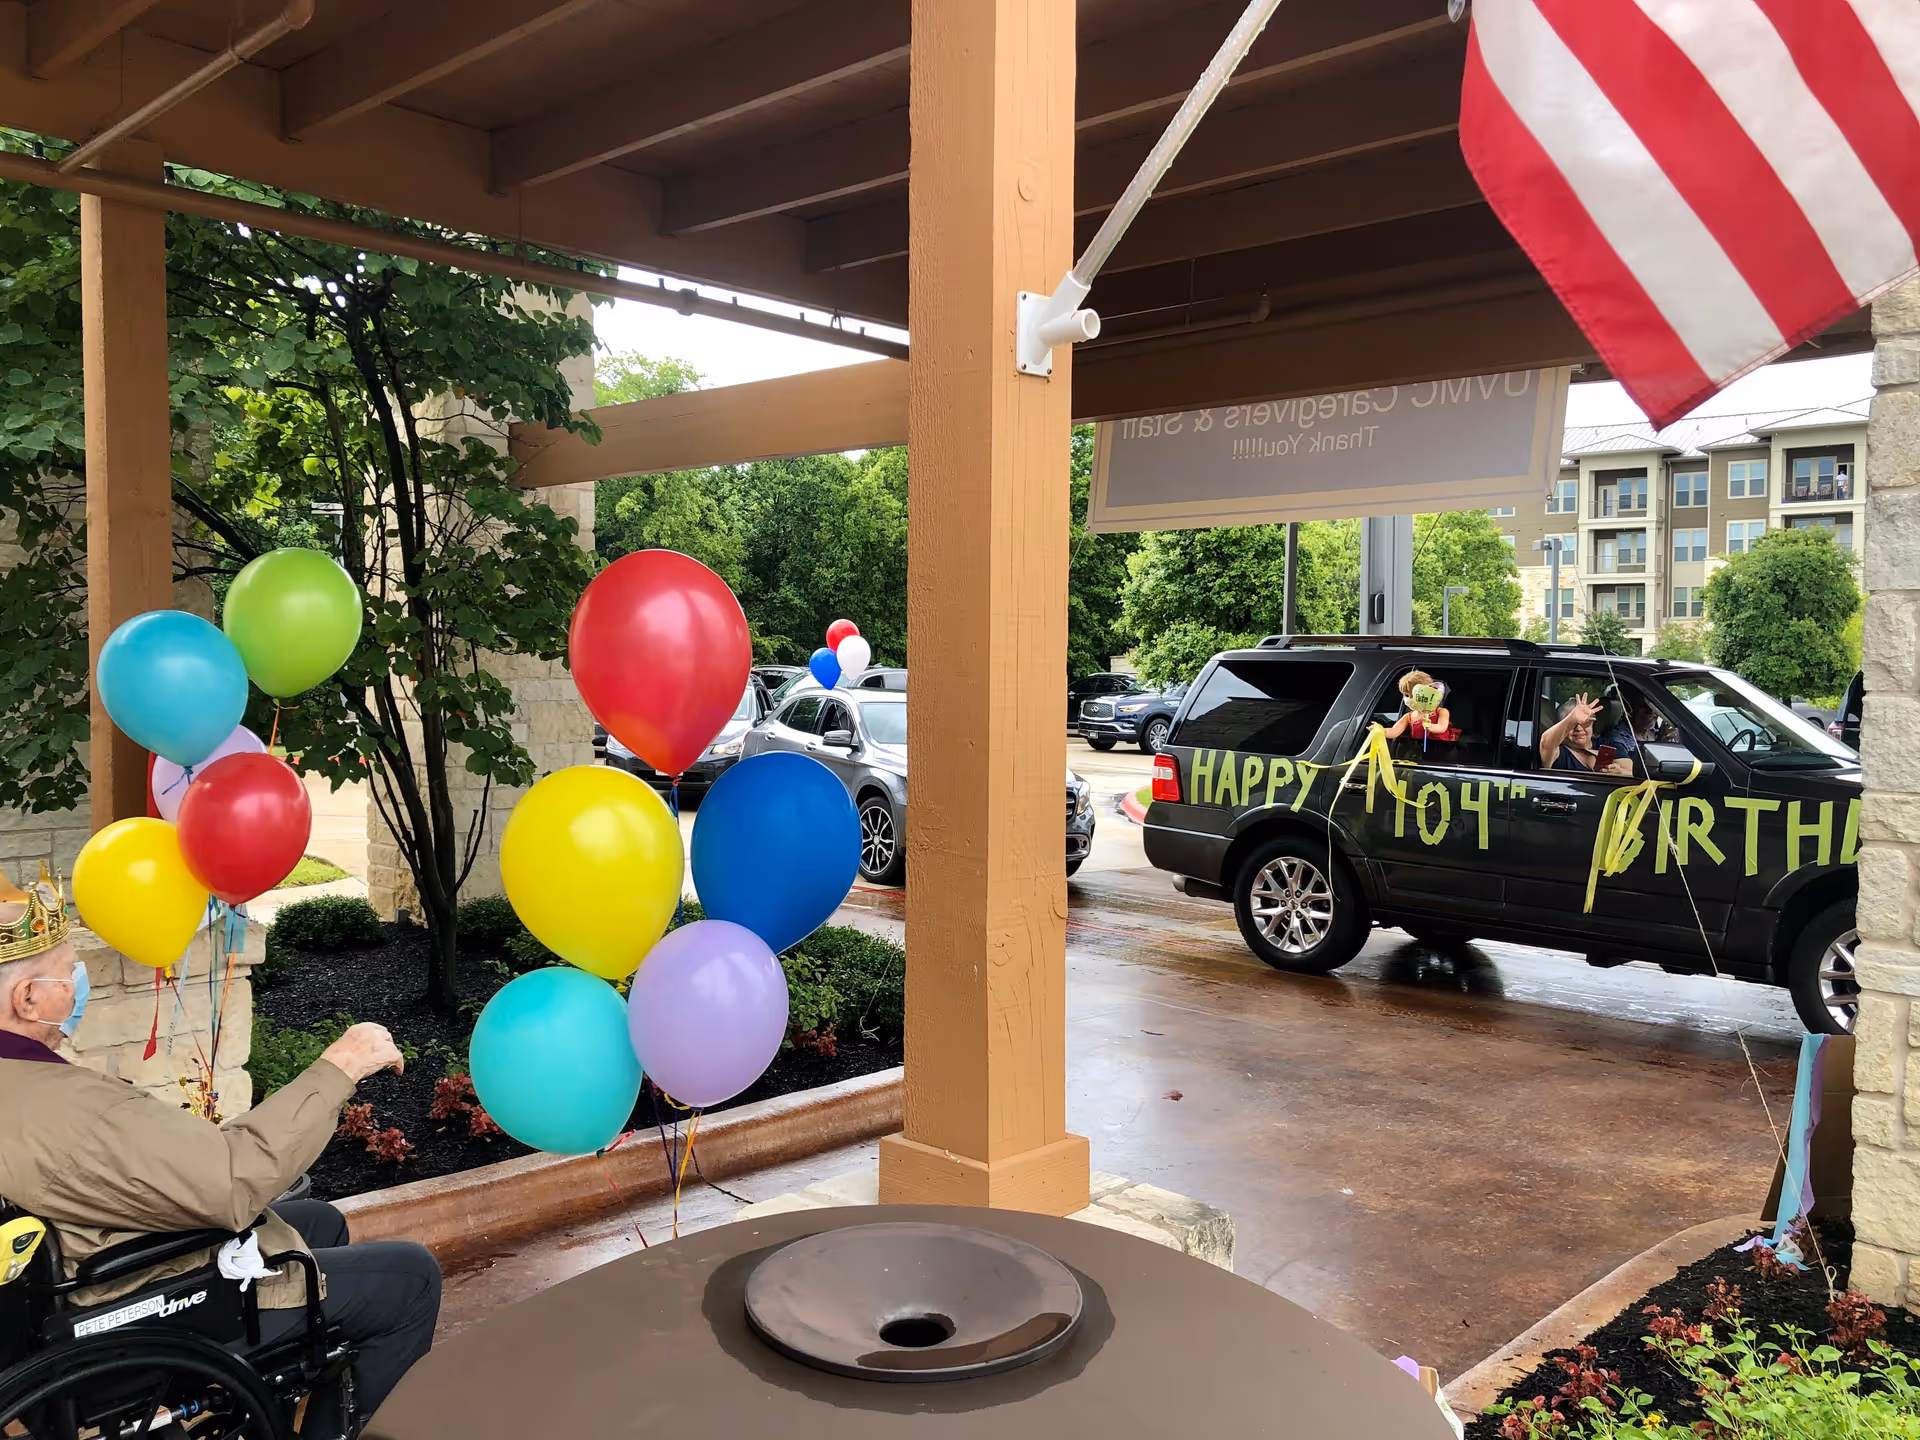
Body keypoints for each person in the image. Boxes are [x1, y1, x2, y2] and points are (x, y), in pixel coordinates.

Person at [0, 866, 440, 1430]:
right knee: (412, 1276)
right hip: (128, 1306)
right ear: (30, 998)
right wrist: (340, 1068)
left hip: (65, 1275)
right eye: (69, 974)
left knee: (321, 1221)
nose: (79, 982)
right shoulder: (66, 1109)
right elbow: (233, 1182)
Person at [1539, 694, 1634, 775]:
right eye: (1573, 725)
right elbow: (1546, 743)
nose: (1579, 729)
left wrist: (1620, 772)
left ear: (1593, 723)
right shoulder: (1558, 752)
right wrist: (1571, 719)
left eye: (1585, 723)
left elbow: (1632, 773)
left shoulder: (1609, 745)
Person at [1383, 669, 1460, 745]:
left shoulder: (1441, 711)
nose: (1409, 699)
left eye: (1413, 695)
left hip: (1441, 750)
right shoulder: (1408, 717)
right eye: (1406, 695)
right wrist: (1381, 731)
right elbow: (1395, 731)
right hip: (1418, 752)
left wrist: (1430, 726)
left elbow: (1442, 727)